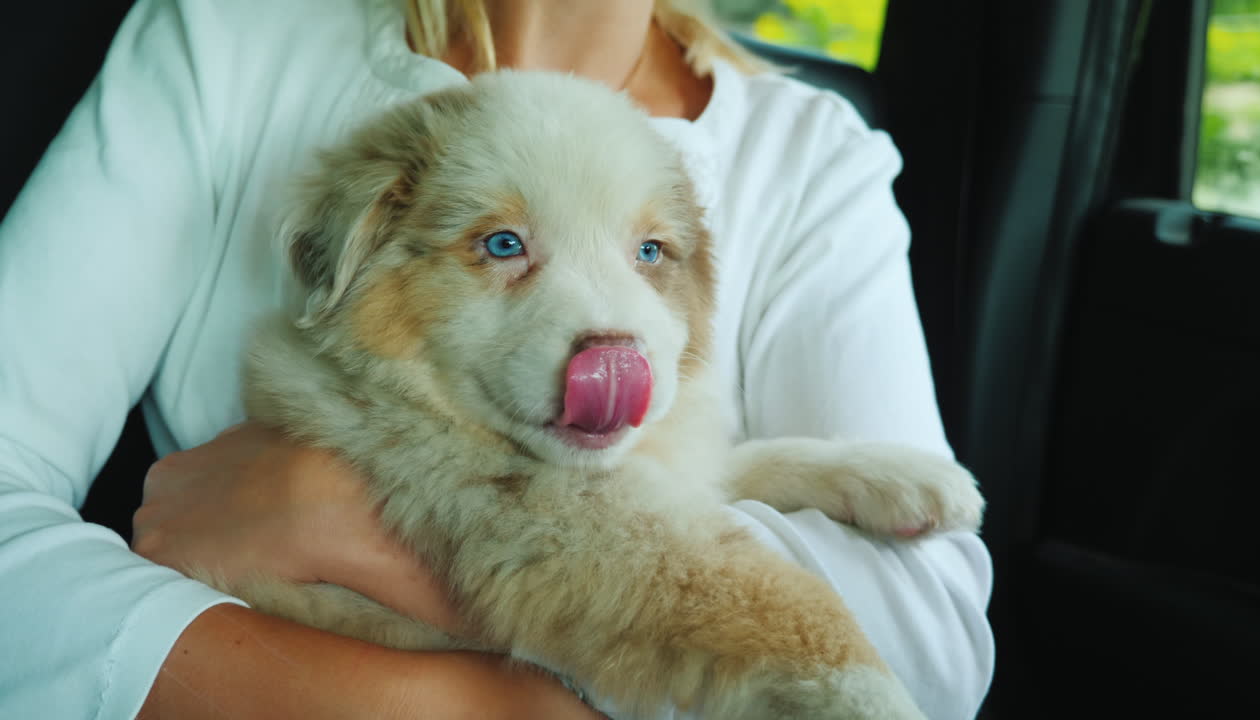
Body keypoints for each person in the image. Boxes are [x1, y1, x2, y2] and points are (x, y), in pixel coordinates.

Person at [0, 0, 995, 717]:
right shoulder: (226, 37)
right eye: (504, 247)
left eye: (651, 254)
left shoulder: (809, 153)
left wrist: (332, 518)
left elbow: (929, 653)